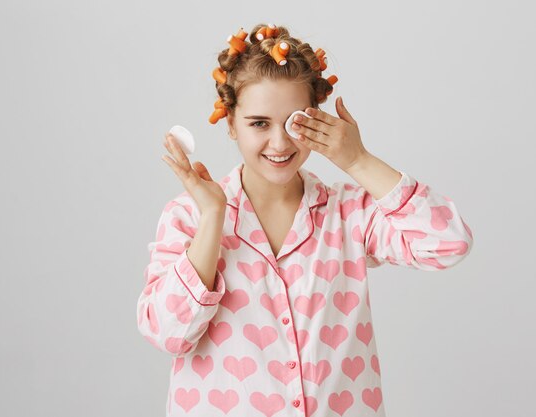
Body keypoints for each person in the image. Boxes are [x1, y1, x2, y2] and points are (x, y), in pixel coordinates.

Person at [136, 23, 474, 417]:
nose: (279, 143)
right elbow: (167, 333)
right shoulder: (188, 216)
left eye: (295, 121)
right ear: (230, 123)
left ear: (315, 119)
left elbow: (450, 242)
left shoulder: (349, 214)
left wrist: (356, 159)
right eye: (259, 123)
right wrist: (214, 218)